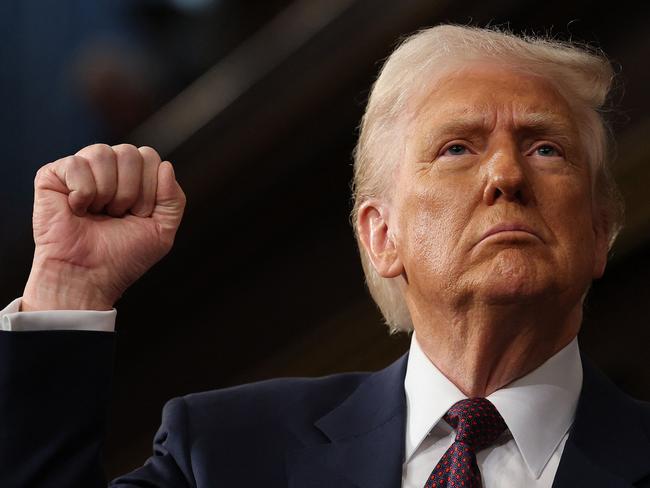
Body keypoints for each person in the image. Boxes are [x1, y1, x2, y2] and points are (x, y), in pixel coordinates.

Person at [1, 24, 649, 488]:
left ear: (599, 232)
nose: (506, 173)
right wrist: (69, 291)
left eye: (546, 149)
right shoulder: (223, 454)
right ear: (380, 235)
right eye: (457, 148)